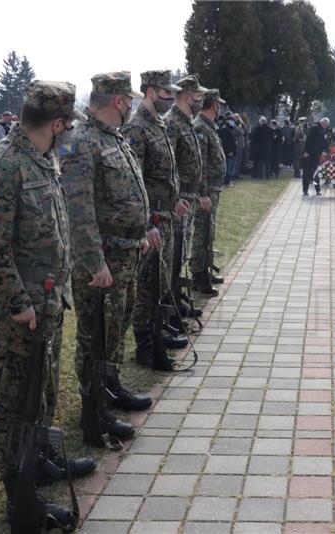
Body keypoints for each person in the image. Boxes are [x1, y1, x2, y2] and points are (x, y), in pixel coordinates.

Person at [0, 80, 95, 530]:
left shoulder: (41, 160)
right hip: (20, 315)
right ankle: (19, 501)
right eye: (69, 126)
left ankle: (36, 466)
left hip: (47, 308)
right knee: (16, 404)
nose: (70, 134)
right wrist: (19, 303)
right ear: (56, 124)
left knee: (41, 395)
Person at [59, 71, 153, 447]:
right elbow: (78, 210)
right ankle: (93, 413)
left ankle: (109, 391)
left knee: (115, 329)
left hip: (125, 253)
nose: (131, 105)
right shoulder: (81, 142)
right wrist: (94, 262)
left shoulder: (112, 139)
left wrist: (140, 232)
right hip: (103, 262)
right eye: (128, 100)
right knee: (95, 334)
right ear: (118, 101)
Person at [120, 69, 190, 368]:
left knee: (160, 283)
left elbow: (166, 174)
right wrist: (146, 222)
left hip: (166, 215)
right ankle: (145, 344)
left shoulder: (158, 126)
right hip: (152, 221)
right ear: (150, 92)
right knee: (147, 286)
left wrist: (176, 200)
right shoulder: (137, 129)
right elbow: (136, 183)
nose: (171, 98)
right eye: (166, 93)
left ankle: (158, 332)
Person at [165, 74, 209, 321]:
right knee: (174, 256)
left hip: (189, 196)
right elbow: (168, 166)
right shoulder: (172, 123)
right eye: (199, 97)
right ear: (187, 97)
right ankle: (171, 305)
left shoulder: (187, 122)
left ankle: (178, 299)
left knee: (182, 253)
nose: (201, 101)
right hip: (179, 198)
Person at [191, 89, 226, 295]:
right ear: (213, 105)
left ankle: (206, 271)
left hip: (213, 190)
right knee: (201, 234)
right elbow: (200, 165)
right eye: (218, 104)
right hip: (206, 192)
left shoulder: (208, 127)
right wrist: (203, 193)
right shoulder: (200, 128)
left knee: (209, 233)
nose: (220, 107)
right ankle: (198, 277)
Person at [301, 117, 330, 195]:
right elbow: (309, 140)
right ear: (322, 123)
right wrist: (306, 151)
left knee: (316, 173)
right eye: (326, 125)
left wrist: (328, 151)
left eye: (327, 125)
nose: (326, 126)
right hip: (309, 154)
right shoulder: (314, 128)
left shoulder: (323, 130)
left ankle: (317, 190)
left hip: (317, 155)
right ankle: (305, 190)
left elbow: (324, 142)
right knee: (307, 172)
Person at [219, 114, 237, 186]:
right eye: (232, 121)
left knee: (229, 167)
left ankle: (227, 181)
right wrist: (229, 151)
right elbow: (225, 141)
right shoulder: (225, 129)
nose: (233, 122)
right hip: (228, 152)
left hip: (230, 151)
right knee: (228, 168)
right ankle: (227, 181)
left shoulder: (227, 128)